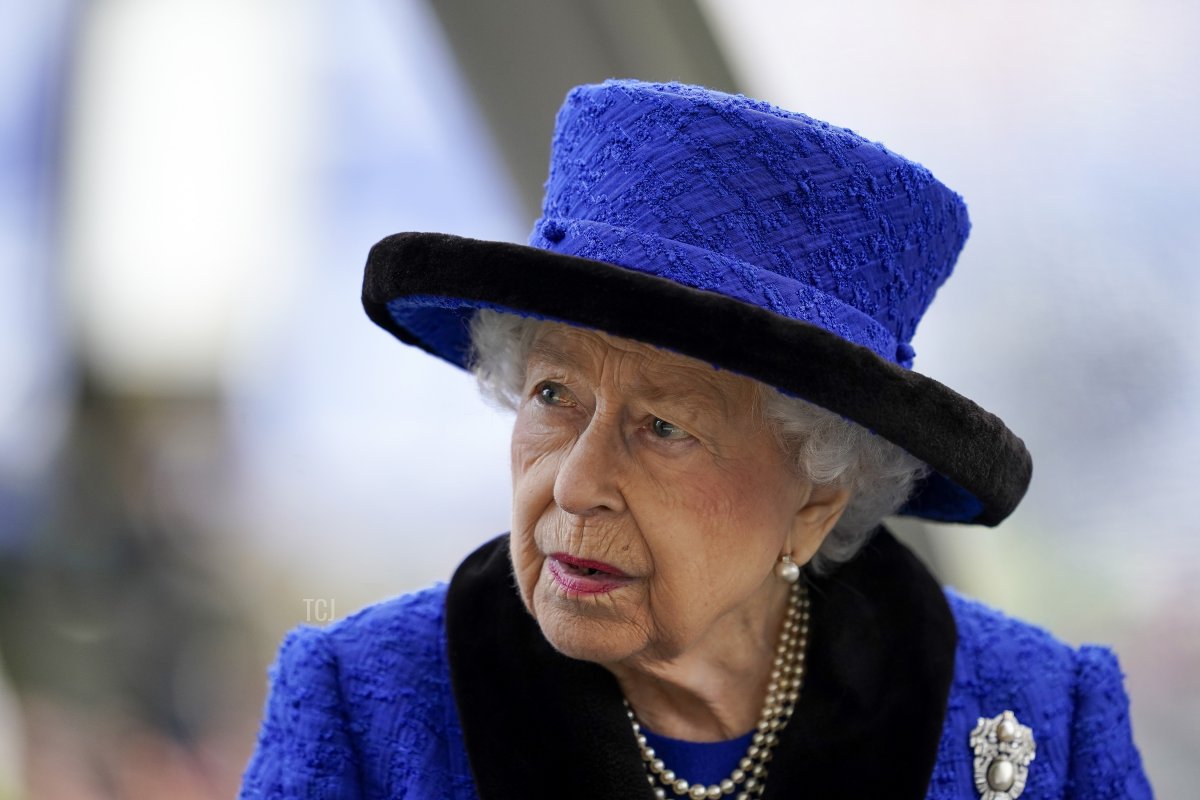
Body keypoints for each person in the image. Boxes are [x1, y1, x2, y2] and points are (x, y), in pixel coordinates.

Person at [240, 80, 1151, 799]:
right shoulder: (359, 704)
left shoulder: (1041, 719)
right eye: (555, 394)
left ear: (815, 499)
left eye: (664, 425)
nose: (576, 484)